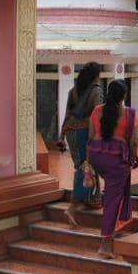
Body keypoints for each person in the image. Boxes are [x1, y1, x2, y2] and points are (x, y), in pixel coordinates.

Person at [87, 80, 138, 257]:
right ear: (124, 96)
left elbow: (91, 136)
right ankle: (105, 244)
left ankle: (114, 225)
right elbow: (133, 141)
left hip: (96, 156)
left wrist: (89, 163)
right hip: (116, 159)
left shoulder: (96, 111)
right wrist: (133, 158)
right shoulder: (129, 114)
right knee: (112, 199)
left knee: (114, 192)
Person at [61, 63, 103, 225]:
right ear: (96, 76)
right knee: (85, 166)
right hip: (85, 133)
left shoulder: (74, 91)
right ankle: (73, 205)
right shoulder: (96, 91)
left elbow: (67, 114)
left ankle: (92, 199)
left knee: (83, 165)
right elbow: (97, 116)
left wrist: (61, 134)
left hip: (71, 133)